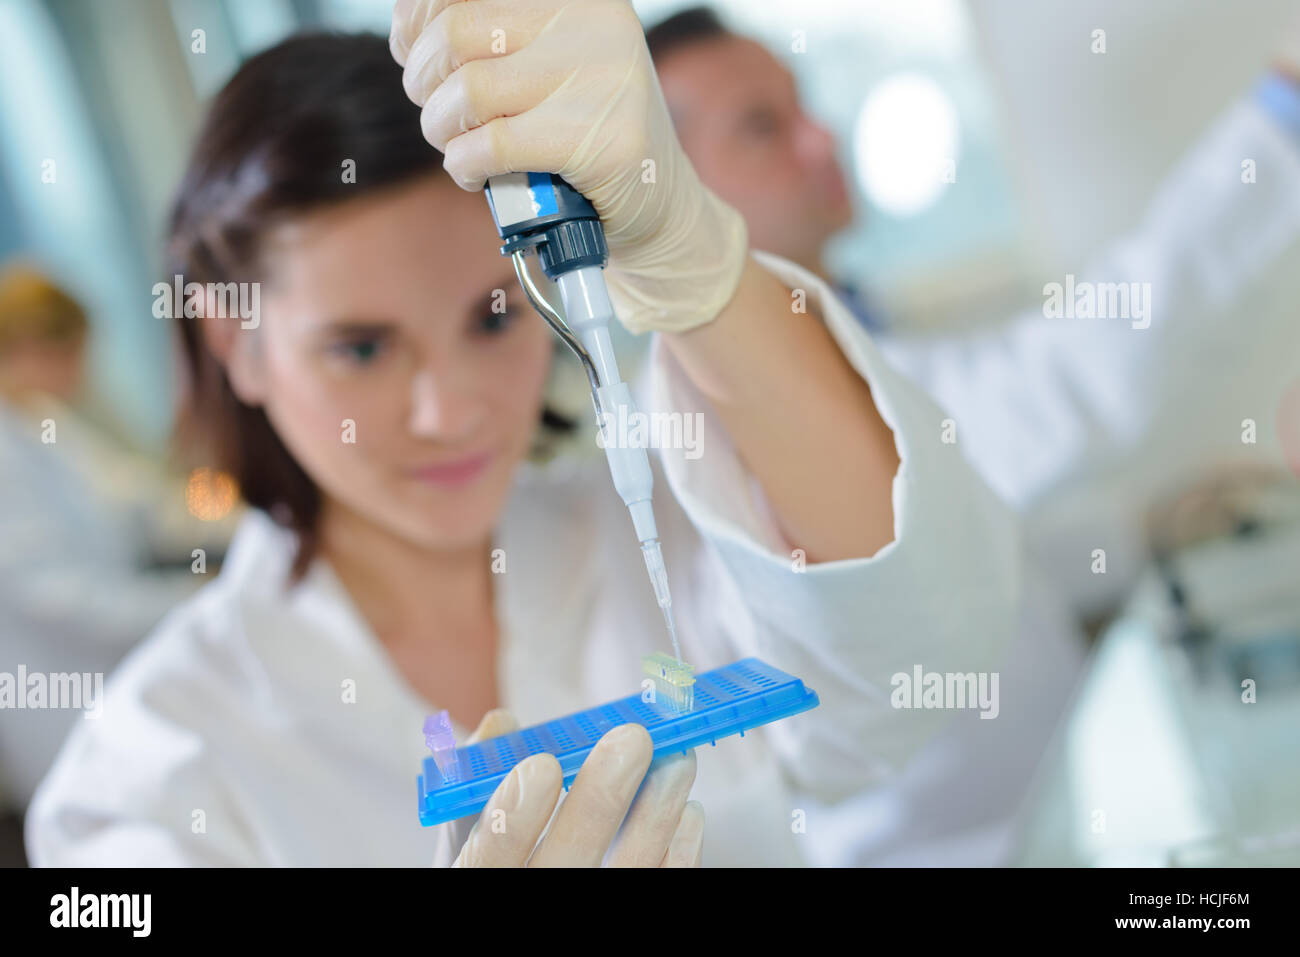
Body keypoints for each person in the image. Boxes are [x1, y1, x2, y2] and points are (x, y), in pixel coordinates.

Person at [25, 4, 1017, 867]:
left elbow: (918, 652)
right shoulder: (143, 778)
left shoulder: (669, 543)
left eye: (494, 318)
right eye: (362, 348)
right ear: (235, 341)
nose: (448, 411)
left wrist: (692, 259)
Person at [645, 7, 1300, 616]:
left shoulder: (856, 326)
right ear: (670, 196)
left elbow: (987, 533)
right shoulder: (749, 409)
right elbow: (1064, 386)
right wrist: (1283, 108)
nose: (821, 137)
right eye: (763, 126)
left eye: (804, 104)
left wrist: (1156, 535)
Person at [0, 265, 224, 817]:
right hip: (56, 690)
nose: (82, 371)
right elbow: (55, 595)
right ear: (33, 348)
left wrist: (219, 508)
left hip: (105, 673)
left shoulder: (42, 423)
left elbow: (131, 501)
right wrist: (191, 600)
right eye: (74, 353)